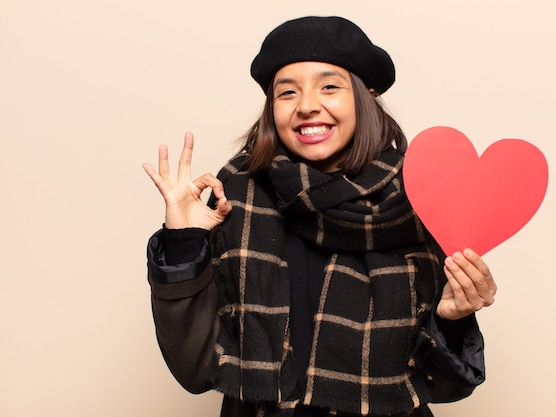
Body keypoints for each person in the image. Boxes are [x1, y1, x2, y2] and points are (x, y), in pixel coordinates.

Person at [143, 16, 497, 417]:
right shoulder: (237, 195)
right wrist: (183, 241)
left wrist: (452, 319)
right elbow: (195, 371)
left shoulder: (417, 199)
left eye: (329, 86)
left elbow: (444, 387)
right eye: (287, 92)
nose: (307, 105)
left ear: (366, 95)